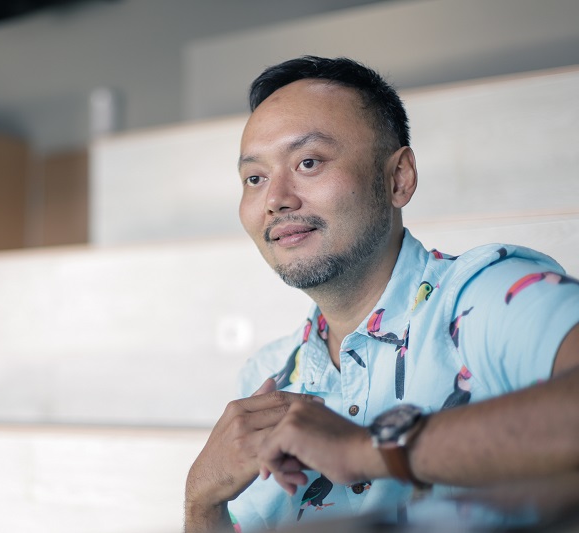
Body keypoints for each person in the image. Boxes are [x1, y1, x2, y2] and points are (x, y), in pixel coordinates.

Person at [183, 56, 579, 533]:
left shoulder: (492, 295)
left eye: (308, 162)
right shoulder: (263, 377)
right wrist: (201, 504)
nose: (276, 199)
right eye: (255, 178)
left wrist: (367, 449)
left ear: (398, 178)